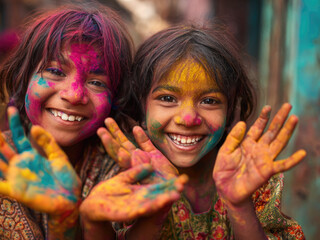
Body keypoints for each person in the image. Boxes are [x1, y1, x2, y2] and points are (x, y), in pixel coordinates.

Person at [0, 4, 186, 240]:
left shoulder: (123, 161)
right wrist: (64, 218)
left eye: (97, 83)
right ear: (23, 75)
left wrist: (156, 215)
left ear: (116, 99)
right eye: (56, 72)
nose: (74, 94)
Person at [93, 24, 306, 239]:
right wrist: (156, 211)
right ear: (142, 104)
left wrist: (239, 205)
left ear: (230, 110)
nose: (187, 119)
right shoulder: (124, 176)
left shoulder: (251, 176)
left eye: (209, 101)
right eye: (167, 98)